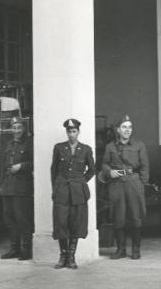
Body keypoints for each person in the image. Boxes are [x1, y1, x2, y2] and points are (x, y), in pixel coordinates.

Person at [101, 115, 149, 260]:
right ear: (118, 130)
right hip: (116, 184)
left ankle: (136, 249)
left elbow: (145, 166)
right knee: (118, 217)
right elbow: (104, 164)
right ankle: (120, 249)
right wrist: (110, 172)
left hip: (133, 183)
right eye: (124, 127)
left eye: (129, 127)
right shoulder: (110, 147)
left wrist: (142, 184)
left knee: (135, 217)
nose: (127, 130)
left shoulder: (139, 145)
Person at [50, 118, 96, 269]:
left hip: (78, 193)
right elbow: (54, 170)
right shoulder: (59, 148)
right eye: (69, 131)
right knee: (61, 223)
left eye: (74, 131)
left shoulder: (86, 149)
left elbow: (92, 170)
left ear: (78, 132)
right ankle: (62, 256)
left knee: (76, 223)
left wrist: (81, 181)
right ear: (66, 132)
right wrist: (56, 188)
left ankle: (71, 256)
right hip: (62, 191)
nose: (71, 134)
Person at [0, 116, 34, 260]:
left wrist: (21, 166)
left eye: (19, 127)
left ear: (24, 128)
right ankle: (14, 249)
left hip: (21, 186)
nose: (17, 131)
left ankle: (26, 250)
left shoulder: (29, 143)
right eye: (14, 128)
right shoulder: (8, 144)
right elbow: (2, 166)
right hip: (8, 186)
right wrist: (1, 184)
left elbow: (34, 162)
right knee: (9, 218)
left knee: (22, 219)